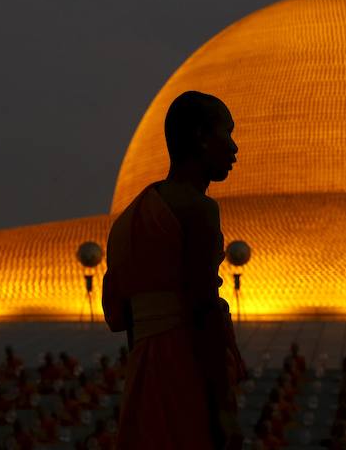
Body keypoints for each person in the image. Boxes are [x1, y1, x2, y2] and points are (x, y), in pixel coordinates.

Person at [103, 90, 247, 450]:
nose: (234, 148)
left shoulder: (128, 220)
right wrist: (222, 409)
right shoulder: (197, 209)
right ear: (200, 137)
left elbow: (124, 317)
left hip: (144, 368)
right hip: (186, 365)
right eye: (226, 133)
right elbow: (203, 307)